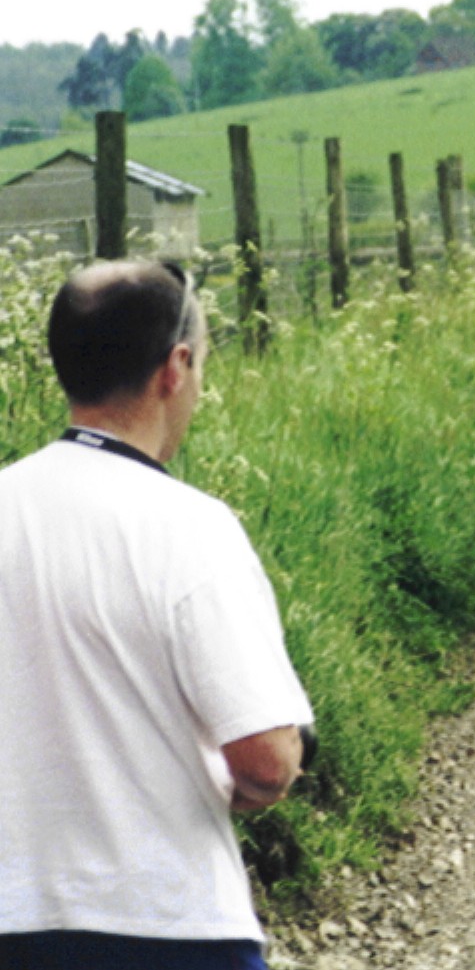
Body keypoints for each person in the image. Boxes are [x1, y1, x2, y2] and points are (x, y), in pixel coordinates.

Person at [0, 260, 314, 969]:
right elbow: (265, 761)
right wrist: (288, 756)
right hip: (167, 922)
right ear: (175, 368)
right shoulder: (189, 526)